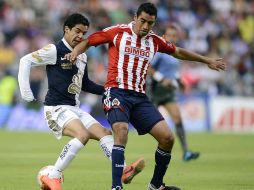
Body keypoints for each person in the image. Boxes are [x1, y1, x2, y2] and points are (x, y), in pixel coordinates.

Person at [65, 3, 226, 190]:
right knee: (121, 131)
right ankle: (116, 187)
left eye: (150, 23)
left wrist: (206, 60)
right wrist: (75, 52)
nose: (145, 26)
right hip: (116, 91)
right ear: (135, 17)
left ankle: (156, 186)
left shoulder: (155, 41)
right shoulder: (117, 32)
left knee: (167, 138)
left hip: (140, 98)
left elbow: (178, 51)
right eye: (142, 21)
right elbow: (90, 40)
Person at [18, 13, 144, 190]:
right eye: (77, 31)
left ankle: (122, 170)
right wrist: (26, 93)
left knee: (105, 133)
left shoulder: (82, 56)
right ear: (66, 29)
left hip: (73, 108)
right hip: (55, 109)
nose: (80, 36)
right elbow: (25, 60)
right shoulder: (55, 50)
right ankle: (53, 175)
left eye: (84, 33)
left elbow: (85, 84)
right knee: (82, 135)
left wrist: (110, 90)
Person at [149, 24, 200, 161]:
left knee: (178, 119)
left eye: (174, 36)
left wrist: (180, 80)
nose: (172, 38)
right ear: (163, 37)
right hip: (155, 91)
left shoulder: (175, 54)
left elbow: (173, 72)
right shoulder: (159, 53)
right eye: (169, 35)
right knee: (147, 122)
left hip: (169, 92)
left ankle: (186, 151)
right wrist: (162, 79)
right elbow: (149, 68)